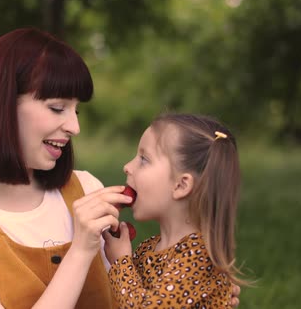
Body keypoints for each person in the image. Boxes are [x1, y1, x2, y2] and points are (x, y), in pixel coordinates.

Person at [0, 27, 240, 309]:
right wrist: (81, 249)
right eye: (57, 108)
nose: (73, 126)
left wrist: (196, 291)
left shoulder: (86, 189)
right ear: (1, 105)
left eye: (76, 111)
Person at [104, 113, 247, 308]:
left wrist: (121, 263)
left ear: (181, 185)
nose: (127, 167)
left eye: (144, 159)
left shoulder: (200, 256)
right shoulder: (149, 248)